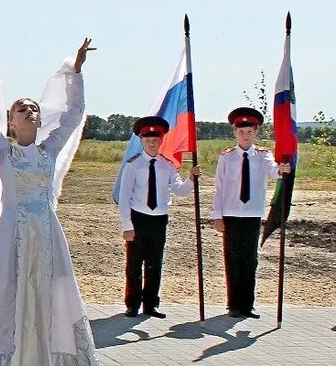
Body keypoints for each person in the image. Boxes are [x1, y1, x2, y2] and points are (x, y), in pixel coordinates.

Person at [0, 37, 106, 366]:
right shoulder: (3, 150)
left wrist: (76, 70)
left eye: (34, 109)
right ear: (10, 122)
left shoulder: (49, 150)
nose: (30, 112)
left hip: (45, 235)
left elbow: (75, 115)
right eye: (21, 109)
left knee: (39, 306)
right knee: (11, 304)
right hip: (13, 235)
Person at [118, 116, 201, 318]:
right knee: (135, 264)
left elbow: (180, 191)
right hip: (138, 218)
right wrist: (127, 225)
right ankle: (133, 304)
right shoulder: (133, 165)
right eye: (148, 139)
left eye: (156, 139)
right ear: (141, 140)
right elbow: (124, 197)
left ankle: (151, 304)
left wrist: (191, 178)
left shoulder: (167, 165)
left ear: (162, 140)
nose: (152, 143)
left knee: (155, 263)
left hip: (159, 218)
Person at [212, 107, 291, 318]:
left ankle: (248, 305)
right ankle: (233, 305)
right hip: (230, 213)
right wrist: (217, 215)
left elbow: (273, 170)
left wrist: (281, 170)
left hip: (252, 214)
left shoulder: (263, 155)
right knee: (232, 259)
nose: (245, 136)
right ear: (235, 132)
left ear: (256, 132)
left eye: (249, 132)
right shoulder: (226, 158)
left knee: (250, 260)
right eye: (241, 132)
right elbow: (219, 188)